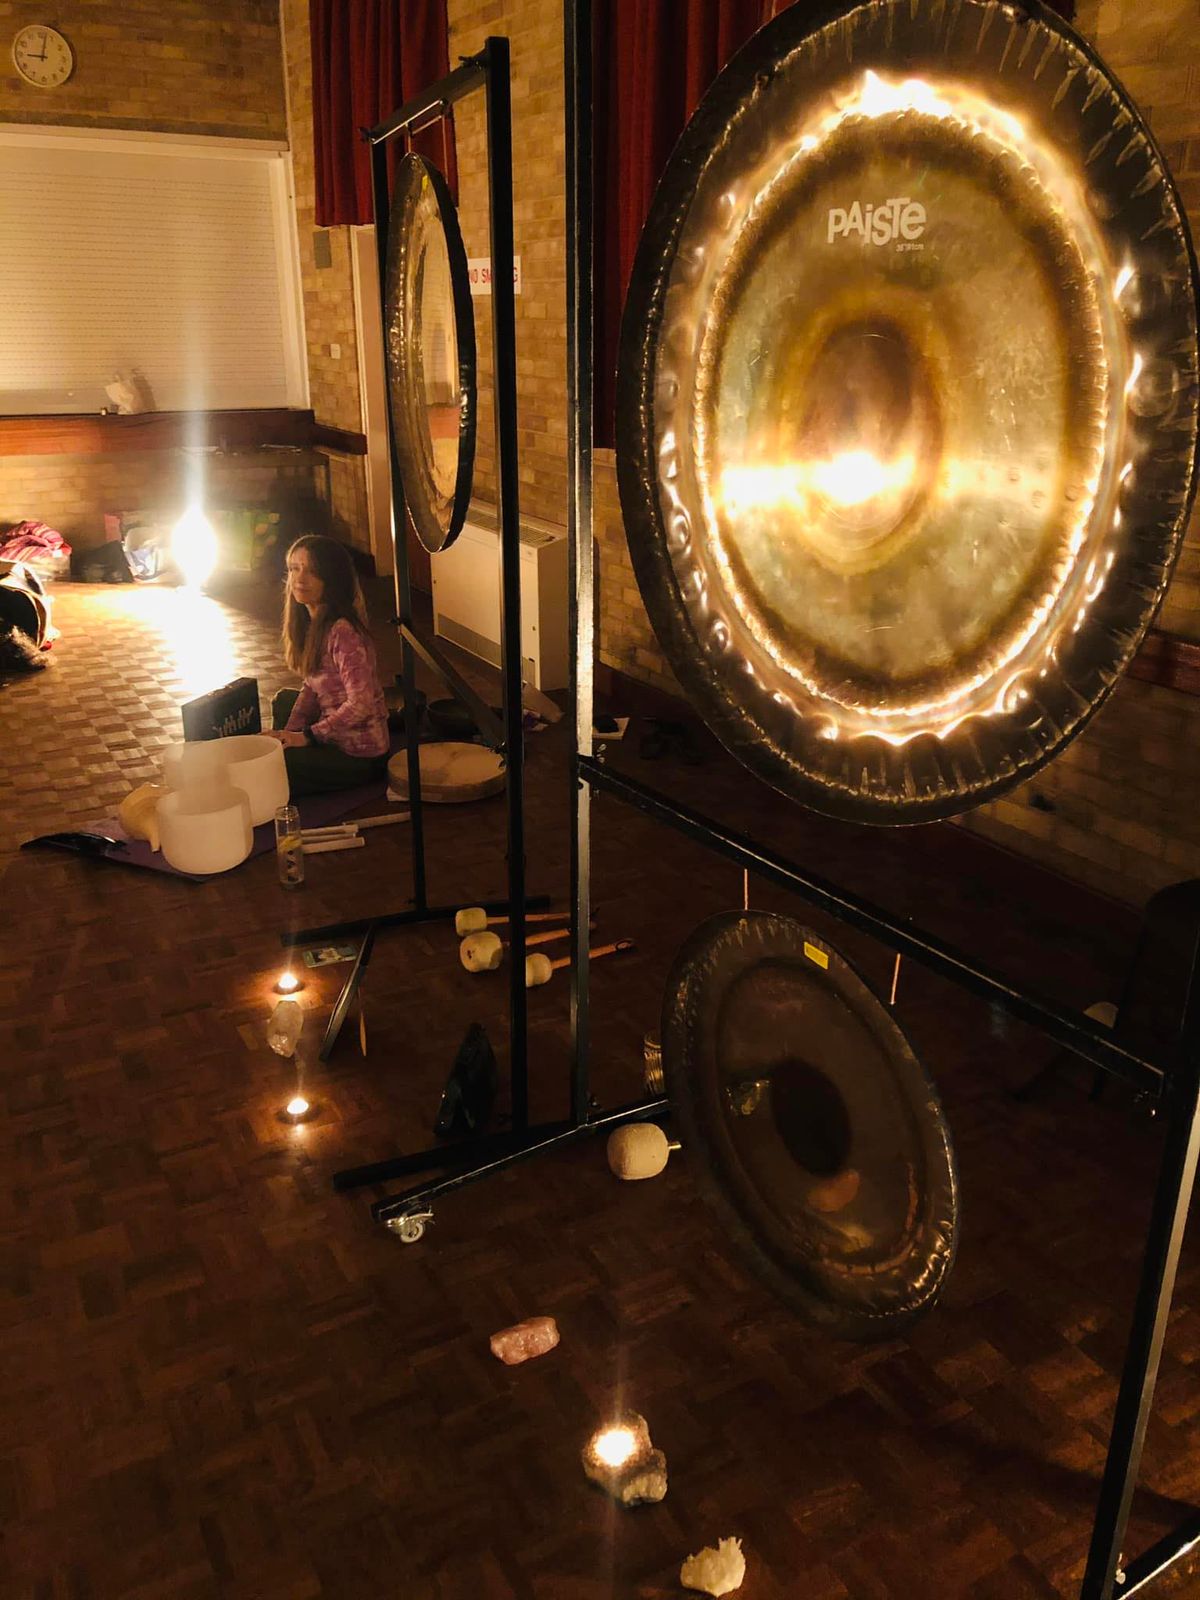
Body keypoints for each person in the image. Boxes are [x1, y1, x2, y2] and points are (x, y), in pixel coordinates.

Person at [265, 535, 390, 796]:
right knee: (283, 702)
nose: (300, 579)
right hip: (333, 733)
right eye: (294, 568)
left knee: (278, 766)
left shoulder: (342, 631)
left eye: (312, 571)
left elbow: (362, 703)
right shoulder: (313, 622)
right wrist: (288, 734)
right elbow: (312, 686)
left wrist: (307, 736)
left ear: (331, 579)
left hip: (360, 753)